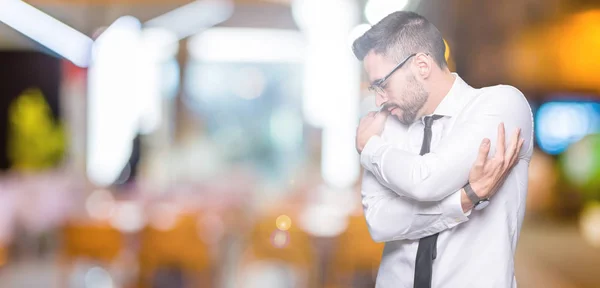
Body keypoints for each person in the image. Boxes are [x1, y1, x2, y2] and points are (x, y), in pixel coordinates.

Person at [352, 11, 533, 288]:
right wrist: (464, 199)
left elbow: (427, 181)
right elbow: (379, 222)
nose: (378, 99)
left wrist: (371, 149)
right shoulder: (387, 125)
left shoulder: (501, 105)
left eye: (382, 84)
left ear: (422, 66)